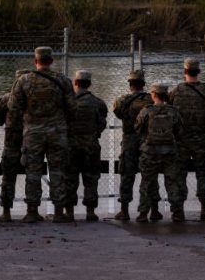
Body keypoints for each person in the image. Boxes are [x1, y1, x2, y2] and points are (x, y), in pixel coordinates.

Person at [8, 46, 78, 223]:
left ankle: (32, 211)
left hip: (33, 133)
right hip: (57, 133)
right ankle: (59, 212)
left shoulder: (24, 81)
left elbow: (13, 109)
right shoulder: (63, 81)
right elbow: (72, 108)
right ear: (52, 60)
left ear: (35, 60)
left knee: (33, 171)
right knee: (58, 171)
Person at [169, 58, 205, 221]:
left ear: (184, 72)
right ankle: (204, 208)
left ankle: (178, 210)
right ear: (199, 72)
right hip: (201, 138)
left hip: (180, 139)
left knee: (179, 174)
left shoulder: (176, 91)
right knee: (202, 172)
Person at [112, 70, 160, 221]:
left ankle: (124, 211)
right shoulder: (151, 100)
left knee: (127, 175)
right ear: (143, 84)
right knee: (150, 175)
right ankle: (153, 210)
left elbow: (118, 113)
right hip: (148, 140)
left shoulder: (122, 101)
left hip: (129, 140)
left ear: (130, 84)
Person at [135, 84, 185, 222]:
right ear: (166, 95)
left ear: (153, 95)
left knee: (147, 182)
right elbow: (180, 132)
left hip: (150, 152)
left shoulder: (146, 111)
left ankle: (143, 213)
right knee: (172, 181)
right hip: (170, 151)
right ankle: (177, 212)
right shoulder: (173, 111)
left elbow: (138, 129)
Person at [65, 70, 108, 222]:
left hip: (71, 147)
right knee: (91, 178)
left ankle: (69, 212)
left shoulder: (68, 102)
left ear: (75, 83)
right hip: (91, 146)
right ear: (89, 84)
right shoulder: (97, 103)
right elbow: (102, 122)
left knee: (70, 178)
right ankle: (90, 211)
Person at [0, 70, 28, 222]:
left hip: (11, 143)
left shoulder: (6, 99)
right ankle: (32, 210)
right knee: (33, 176)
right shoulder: (35, 99)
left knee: (8, 177)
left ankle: (6, 212)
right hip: (31, 142)